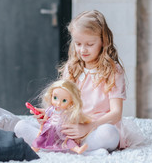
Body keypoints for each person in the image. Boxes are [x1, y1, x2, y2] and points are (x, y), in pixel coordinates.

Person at [15, 10, 143, 155]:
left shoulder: (113, 71)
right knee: (20, 126)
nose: (83, 50)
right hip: (71, 127)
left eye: (89, 44)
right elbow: (64, 104)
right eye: (78, 44)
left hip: (96, 128)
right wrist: (49, 115)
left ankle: (60, 148)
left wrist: (88, 127)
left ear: (103, 42)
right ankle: (86, 152)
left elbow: (116, 113)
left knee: (109, 133)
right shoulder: (72, 67)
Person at [31, 80, 90, 154]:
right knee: (41, 139)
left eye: (64, 100)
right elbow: (45, 120)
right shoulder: (50, 109)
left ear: (71, 102)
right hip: (49, 129)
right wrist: (41, 129)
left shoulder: (67, 113)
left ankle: (77, 149)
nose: (58, 103)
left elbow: (72, 123)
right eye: (55, 98)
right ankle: (33, 149)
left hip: (61, 131)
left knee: (68, 141)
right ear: (51, 95)